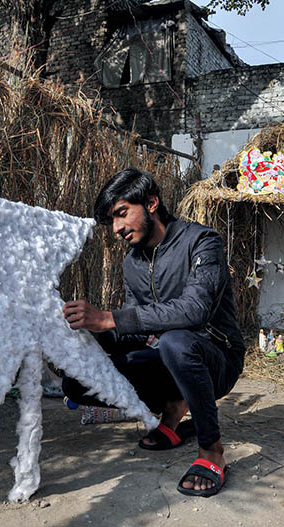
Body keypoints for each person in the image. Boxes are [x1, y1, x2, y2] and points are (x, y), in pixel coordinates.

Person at [61, 168, 245, 497]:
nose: (117, 228)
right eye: (111, 221)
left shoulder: (202, 242)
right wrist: (81, 338)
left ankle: (211, 450)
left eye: (121, 214)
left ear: (152, 202)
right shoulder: (132, 263)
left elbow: (194, 311)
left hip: (217, 359)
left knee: (176, 341)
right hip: (169, 360)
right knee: (76, 381)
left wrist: (107, 318)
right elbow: (133, 329)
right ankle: (174, 408)